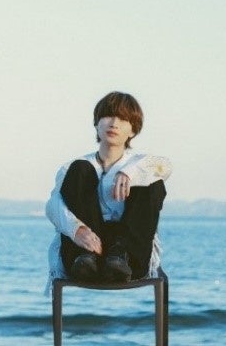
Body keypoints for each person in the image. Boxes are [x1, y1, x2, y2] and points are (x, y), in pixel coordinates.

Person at [46, 91, 172, 285]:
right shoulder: (73, 168)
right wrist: (76, 230)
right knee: (80, 169)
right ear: (97, 123)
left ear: (133, 130)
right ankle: (88, 255)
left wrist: (130, 172)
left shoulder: (139, 164)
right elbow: (53, 205)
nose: (114, 123)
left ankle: (121, 254)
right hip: (82, 258)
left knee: (152, 180)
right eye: (108, 116)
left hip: (128, 261)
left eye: (123, 119)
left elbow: (165, 166)